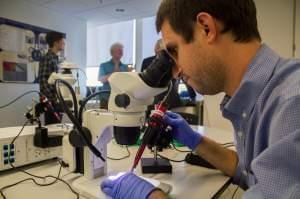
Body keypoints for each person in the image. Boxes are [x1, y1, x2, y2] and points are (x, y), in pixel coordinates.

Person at [100, 0, 300, 199]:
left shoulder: (292, 103)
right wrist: (196, 141)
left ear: (206, 28)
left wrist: (153, 197)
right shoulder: (260, 99)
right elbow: (250, 172)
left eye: (174, 50)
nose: (176, 72)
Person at [38, 31, 65, 125]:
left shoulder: (56, 59)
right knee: (52, 130)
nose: (64, 43)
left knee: (57, 128)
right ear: (55, 43)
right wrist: (53, 100)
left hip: (57, 100)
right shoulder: (47, 58)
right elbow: (43, 81)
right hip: (51, 102)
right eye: (62, 41)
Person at [98, 42, 128, 108]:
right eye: (118, 50)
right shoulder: (103, 65)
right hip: (106, 98)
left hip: (121, 98)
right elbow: (101, 79)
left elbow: (126, 83)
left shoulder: (125, 67)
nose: (121, 51)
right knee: (105, 117)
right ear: (112, 53)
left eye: (121, 50)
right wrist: (114, 73)